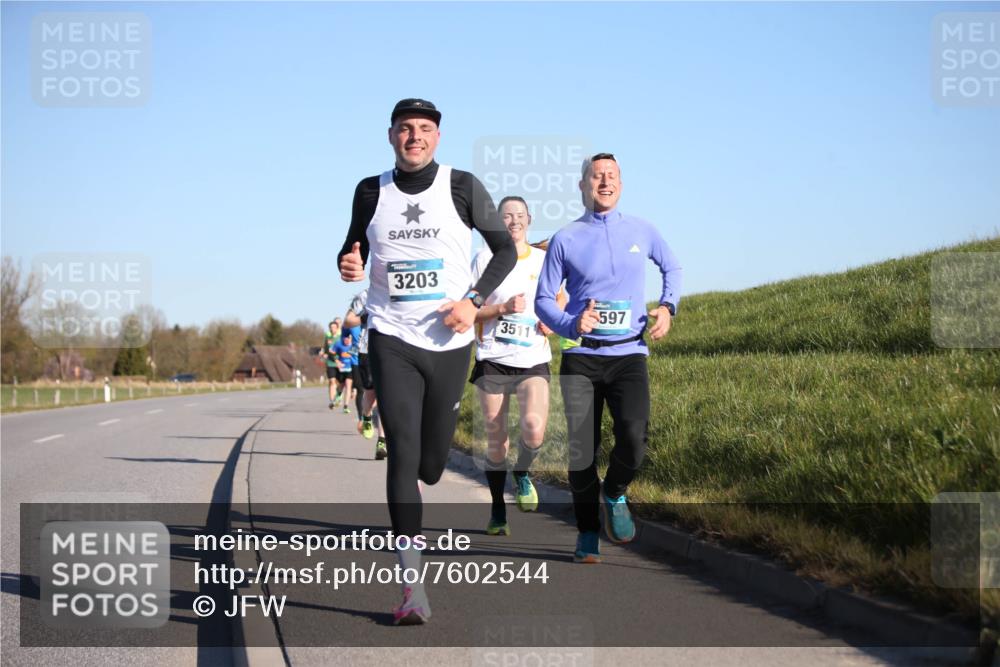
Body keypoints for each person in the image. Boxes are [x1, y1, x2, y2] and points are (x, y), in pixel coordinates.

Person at [339, 98, 515, 624]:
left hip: (450, 341)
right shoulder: (370, 191)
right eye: (404, 128)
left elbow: (505, 250)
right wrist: (348, 263)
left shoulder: (462, 186)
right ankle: (412, 588)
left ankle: (422, 475)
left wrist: (473, 302)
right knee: (401, 451)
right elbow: (351, 250)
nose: (414, 136)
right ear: (390, 135)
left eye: (423, 129)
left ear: (436, 137)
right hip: (391, 336)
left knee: (432, 466)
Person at [535, 153, 682, 564]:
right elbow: (543, 299)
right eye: (597, 176)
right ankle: (586, 532)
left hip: (628, 354)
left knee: (634, 439)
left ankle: (615, 492)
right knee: (583, 451)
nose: (604, 181)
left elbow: (672, 268)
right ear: (583, 185)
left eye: (611, 175)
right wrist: (571, 323)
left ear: (621, 183)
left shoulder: (643, 230)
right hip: (582, 357)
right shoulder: (566, 238)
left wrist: (667, 307)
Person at [469, 196, 552, 537]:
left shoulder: (544, 259)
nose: (514, 221)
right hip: (493, 359)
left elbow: (561, 298)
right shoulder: (483, 259)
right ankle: (497, 509)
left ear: (529, 219)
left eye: (519, 215)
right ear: (497, 222)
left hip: (533, 357)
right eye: (506, 216)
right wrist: (501, 309)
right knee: (496, 441)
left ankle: (522, 471)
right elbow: (469, 311)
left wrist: (552, 321)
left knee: (534, 428)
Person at [344, 288, 388, 459]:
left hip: (391, 350)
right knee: (370, 393)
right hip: (367, 350)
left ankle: (382, 441)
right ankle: (367, 416)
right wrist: (366, 316)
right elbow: (348, 321)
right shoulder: (365, 295)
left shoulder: (399, 290)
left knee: (385, 397)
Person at [322, 320, 342, 408]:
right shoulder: (327, 337)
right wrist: (324, 353)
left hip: (339, 362)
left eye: (334, 327)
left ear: (337, 328)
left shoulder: (340, 337)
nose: (332, 329)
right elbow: (325, 348)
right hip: (330, 362)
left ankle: (338, 397)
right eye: (331, 327)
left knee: (339, 383)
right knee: (332, 381)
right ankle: (332, 401)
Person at [333, 331, 354, 413]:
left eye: (349, 338)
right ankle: (338, 395)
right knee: (341, 385)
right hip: (342, 369)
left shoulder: (354, 345)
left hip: (350, 368)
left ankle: (346, 406)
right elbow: (332, 353)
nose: (347, 340)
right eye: (345, 339)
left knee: (348, 385)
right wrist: (337, 361)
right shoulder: (339, 344)